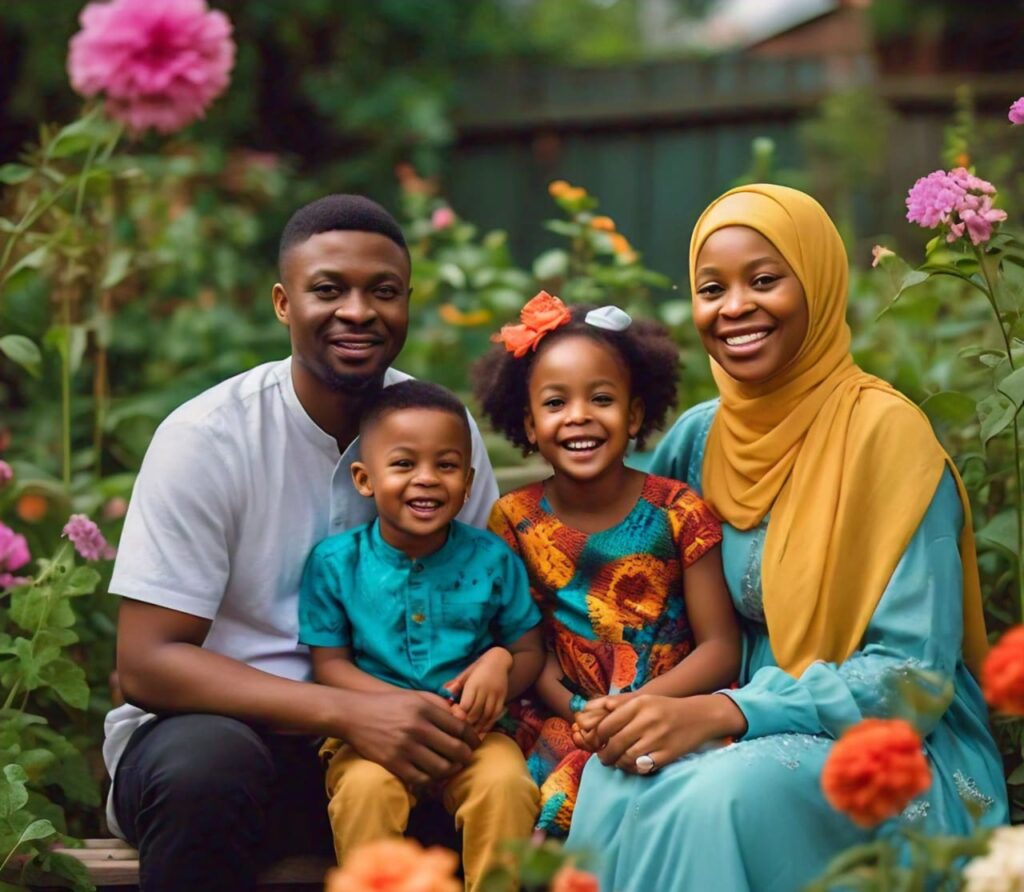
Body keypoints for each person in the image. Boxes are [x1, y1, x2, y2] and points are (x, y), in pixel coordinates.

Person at [565, 184, 1008, 891]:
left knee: (723, 797)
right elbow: (620, 573)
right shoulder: (701, 438)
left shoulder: (886, 439)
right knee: (617, 779)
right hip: (729, 718)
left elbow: (913, 678)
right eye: (712, 288)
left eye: (765, 280)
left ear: (819, 285)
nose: (735, 307)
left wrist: (728, 712)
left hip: (891, 750)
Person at [104, 195, 500, 892]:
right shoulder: (207, 439)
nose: (357, 311)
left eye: (383, 291)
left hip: (392, 742)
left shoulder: (440, 430)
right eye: (328, 290)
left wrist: (487, 669)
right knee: (206, 769)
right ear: (285, 304)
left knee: (496, 773)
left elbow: (493, 599)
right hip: (229, 742)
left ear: (408, 302)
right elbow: (147, 663)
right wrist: (349, 711)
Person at [475, 292, 741, 838]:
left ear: (634, 413)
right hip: (568, 719)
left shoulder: (678, 512)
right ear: (528, 424)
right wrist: (581, 711)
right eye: (555, 404)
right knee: (532, 814)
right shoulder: (513, 522)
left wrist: (638, 705)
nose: (579, 417)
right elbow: (529, 647)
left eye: (601, 398)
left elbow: (721, 648)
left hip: (673, 711)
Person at [298, 379, 543, 890]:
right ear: (365, 480)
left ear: (469, 481)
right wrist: (394, 709)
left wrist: (500, 661)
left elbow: (527, 649)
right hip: (369, 738)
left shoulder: (493, 558)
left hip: (473, 736)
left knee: (507, 787)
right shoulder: (336, 563)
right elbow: (330, 665)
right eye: (405, 464)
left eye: (446, 465)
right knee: (364, 793)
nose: (427, 480)